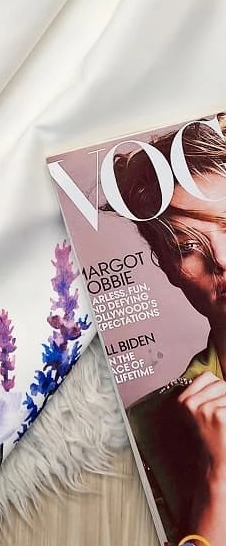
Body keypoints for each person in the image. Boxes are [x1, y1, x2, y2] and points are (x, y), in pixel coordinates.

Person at [114, 118, 226, 546]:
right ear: (166, 268)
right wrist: (218, 482)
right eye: (188, 246)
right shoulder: (144, 432)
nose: (221, 259)